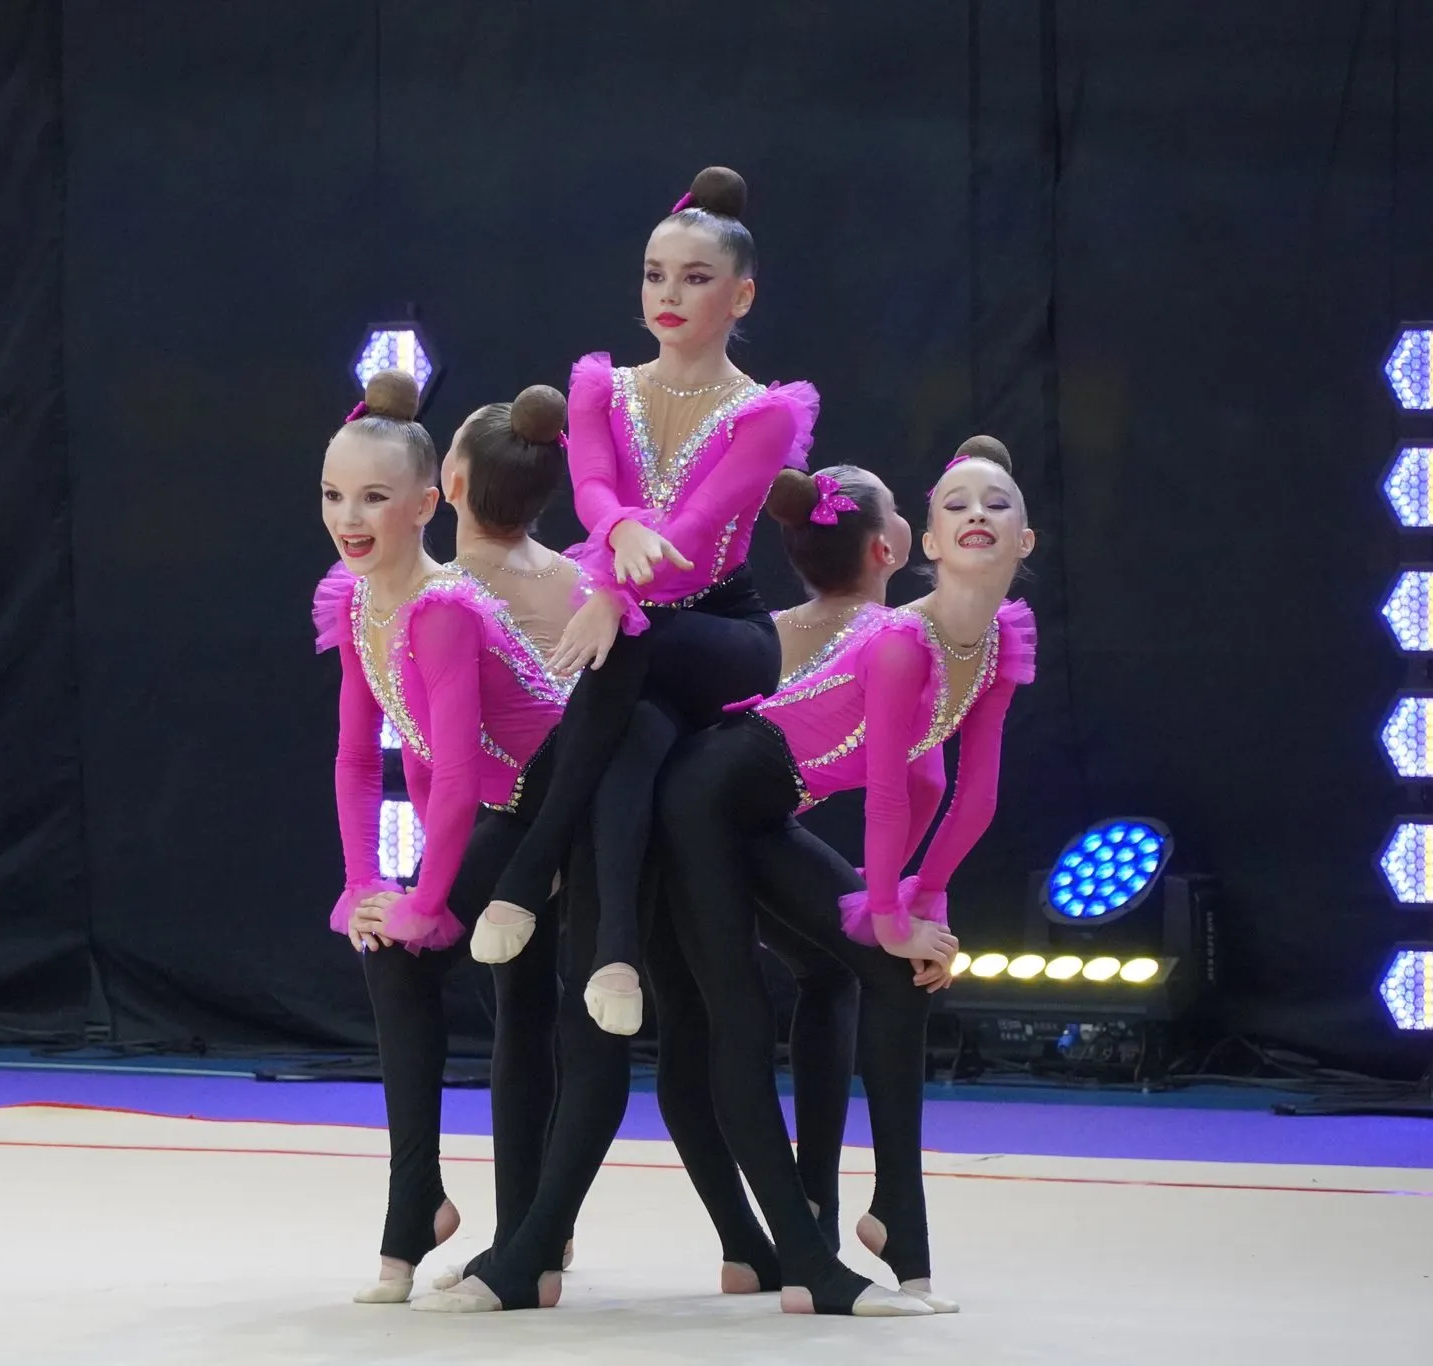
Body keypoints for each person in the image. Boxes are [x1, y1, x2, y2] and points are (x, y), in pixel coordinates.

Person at [653, 440, 1038, 1313]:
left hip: (759, 812)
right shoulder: (900, 639)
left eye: (997, 503)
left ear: (1025, 540)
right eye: (956, 504)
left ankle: (897, 1217)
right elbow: (888, 797)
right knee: (738, 1018)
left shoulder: (999, 641)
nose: (977, 514)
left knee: (898, 976)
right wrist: (890, 910)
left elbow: (972, 794)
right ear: (922, 543)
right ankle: (807, 1266)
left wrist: (925, 900)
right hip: (704, 798)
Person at [469, 164, 817, 1047]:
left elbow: (693, 535)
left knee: (629, 650)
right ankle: (615, 954)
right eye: (656, 275)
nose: (668, 294)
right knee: (636, 728)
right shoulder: (602, 387)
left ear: (741, 297)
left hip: (725, 631)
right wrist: (617, 548)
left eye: (696, 279)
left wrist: (612, 601)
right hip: (638, 630)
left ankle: (533, 863)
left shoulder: (765, 414)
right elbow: (590, 486)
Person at [315, 372, 584, 1303]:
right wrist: (364, 887)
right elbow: (359, 758)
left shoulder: (442, 610)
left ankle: (490, 1231)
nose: (349, 518)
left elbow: (465, 775)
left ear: (429, 504)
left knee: (473, 984)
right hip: (500, 812)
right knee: (446, 973)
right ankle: (474, 1219)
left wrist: (427, 903)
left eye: (373, 498)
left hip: (555, 808)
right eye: (333, 495)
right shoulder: (358, 602)